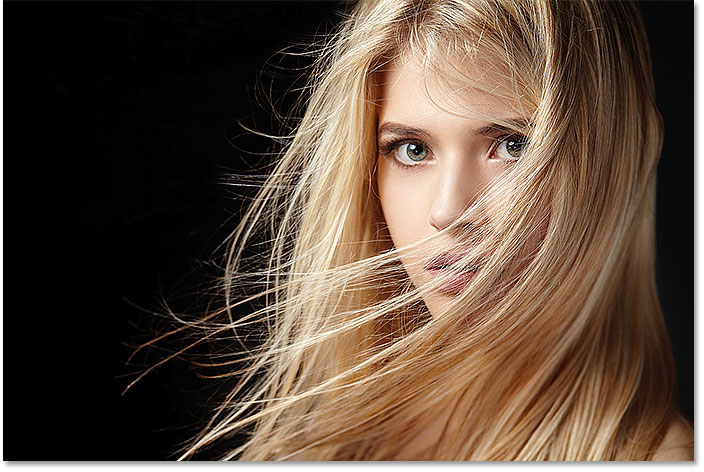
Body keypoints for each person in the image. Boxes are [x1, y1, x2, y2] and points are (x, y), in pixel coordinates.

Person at [167, 0, 693, 461]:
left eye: (513, 145)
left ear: (614, 158)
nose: (447, 211)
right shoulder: (335, 428)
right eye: (412, 150)